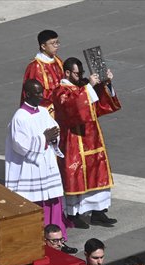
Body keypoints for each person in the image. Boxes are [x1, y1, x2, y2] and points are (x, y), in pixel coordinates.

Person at [53, 57, 121, 229]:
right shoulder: (61, 91)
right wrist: (89, 87)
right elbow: (74, 107)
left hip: (92, 138)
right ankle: (73, 214)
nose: (80, 76)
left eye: (81, 73)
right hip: (74, 140)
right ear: (67, 72)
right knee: (75, 176)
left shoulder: (81, 86)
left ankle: (98, 211)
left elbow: (100, 106)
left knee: (97, 173)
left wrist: (107, 84)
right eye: (77, 73)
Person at [5, 79, 65, 234]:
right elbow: (19, 145)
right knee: (38, 203)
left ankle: (58, 238)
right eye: (37, 93)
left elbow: (54, 129)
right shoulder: (20, 117)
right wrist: (43, 138)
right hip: (30, 169)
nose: (41, 96)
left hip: (46, 166)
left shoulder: (44, 112)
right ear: (27, 94)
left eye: (41, 92)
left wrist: (53, 137)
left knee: (52, 200)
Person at [22, 29, 64, 112]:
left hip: (61, 105)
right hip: (46, 109)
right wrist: (61, 95)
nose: (56, 46)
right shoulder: (35, 67)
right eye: (53, 43)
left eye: (57, 42)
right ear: (43, 46)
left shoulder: (58, 60)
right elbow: (36, 93)